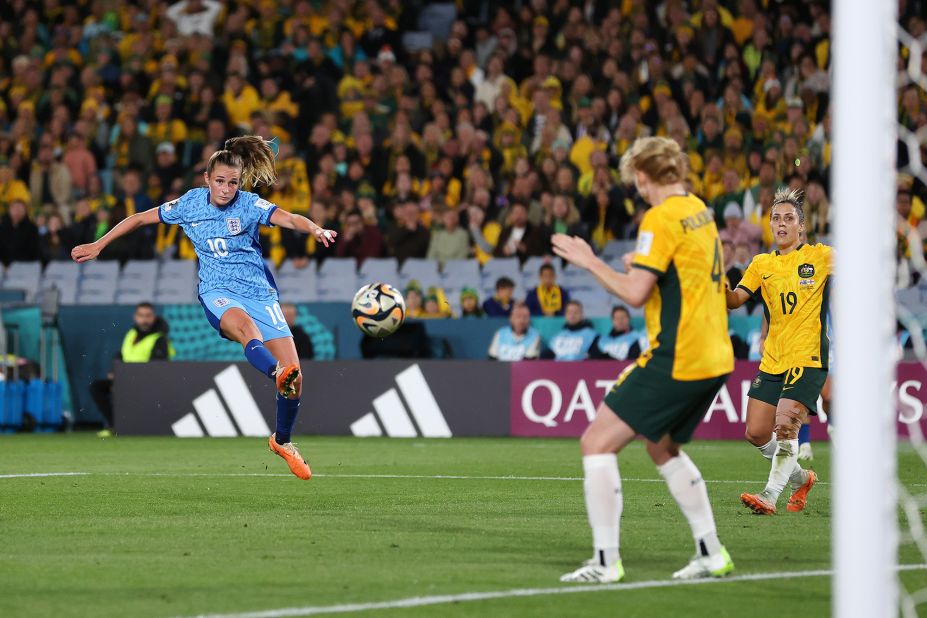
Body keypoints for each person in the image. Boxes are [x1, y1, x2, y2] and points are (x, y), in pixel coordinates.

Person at [72, 136, 338, 480]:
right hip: (218, 292)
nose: (226, 189)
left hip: (259, 294)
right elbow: (138, 218)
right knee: (247, 332)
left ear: (240, 182)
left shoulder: (249, 205)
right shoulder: (190, 204)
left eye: (232, 182)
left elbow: (288, 218)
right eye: (219, 181)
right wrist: (99, 243)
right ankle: (274, 372)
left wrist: (314, 228)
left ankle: (282, 442)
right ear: (206, 180)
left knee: (295, 381)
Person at [552, 136, 734, 583]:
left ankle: (604, 560)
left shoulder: (658, 216)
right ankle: (712, 553)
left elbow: (635, 294)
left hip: (678, 355)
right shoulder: (699, 209)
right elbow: (684, 268)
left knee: (596, 443)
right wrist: (644, 260)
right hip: (716, 353)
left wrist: (590, 261)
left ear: (641, 176)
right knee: (660, 445)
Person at [725, 188, 830, 514]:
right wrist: (714, 282)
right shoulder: (761, 264)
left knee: (786, 427)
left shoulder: (820, 256)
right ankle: (802, 478)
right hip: (773, 359)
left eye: (789, 218)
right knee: (755, 432)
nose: (781, 223)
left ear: (802, 227)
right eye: (776, 218)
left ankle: (769, 495)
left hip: (808, 356)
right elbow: (734, 301)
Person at [90, 302, 174, 435]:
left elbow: (157, 367)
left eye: (148, 316)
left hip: (147, 382)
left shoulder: (159, 339)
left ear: (154, 317)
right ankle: (113, 425)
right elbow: (121, 354)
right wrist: (114, 371)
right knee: (97, 387)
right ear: (135, 317)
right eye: (141, 315)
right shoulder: (131, 333)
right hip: (126, 379)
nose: (144, 320)